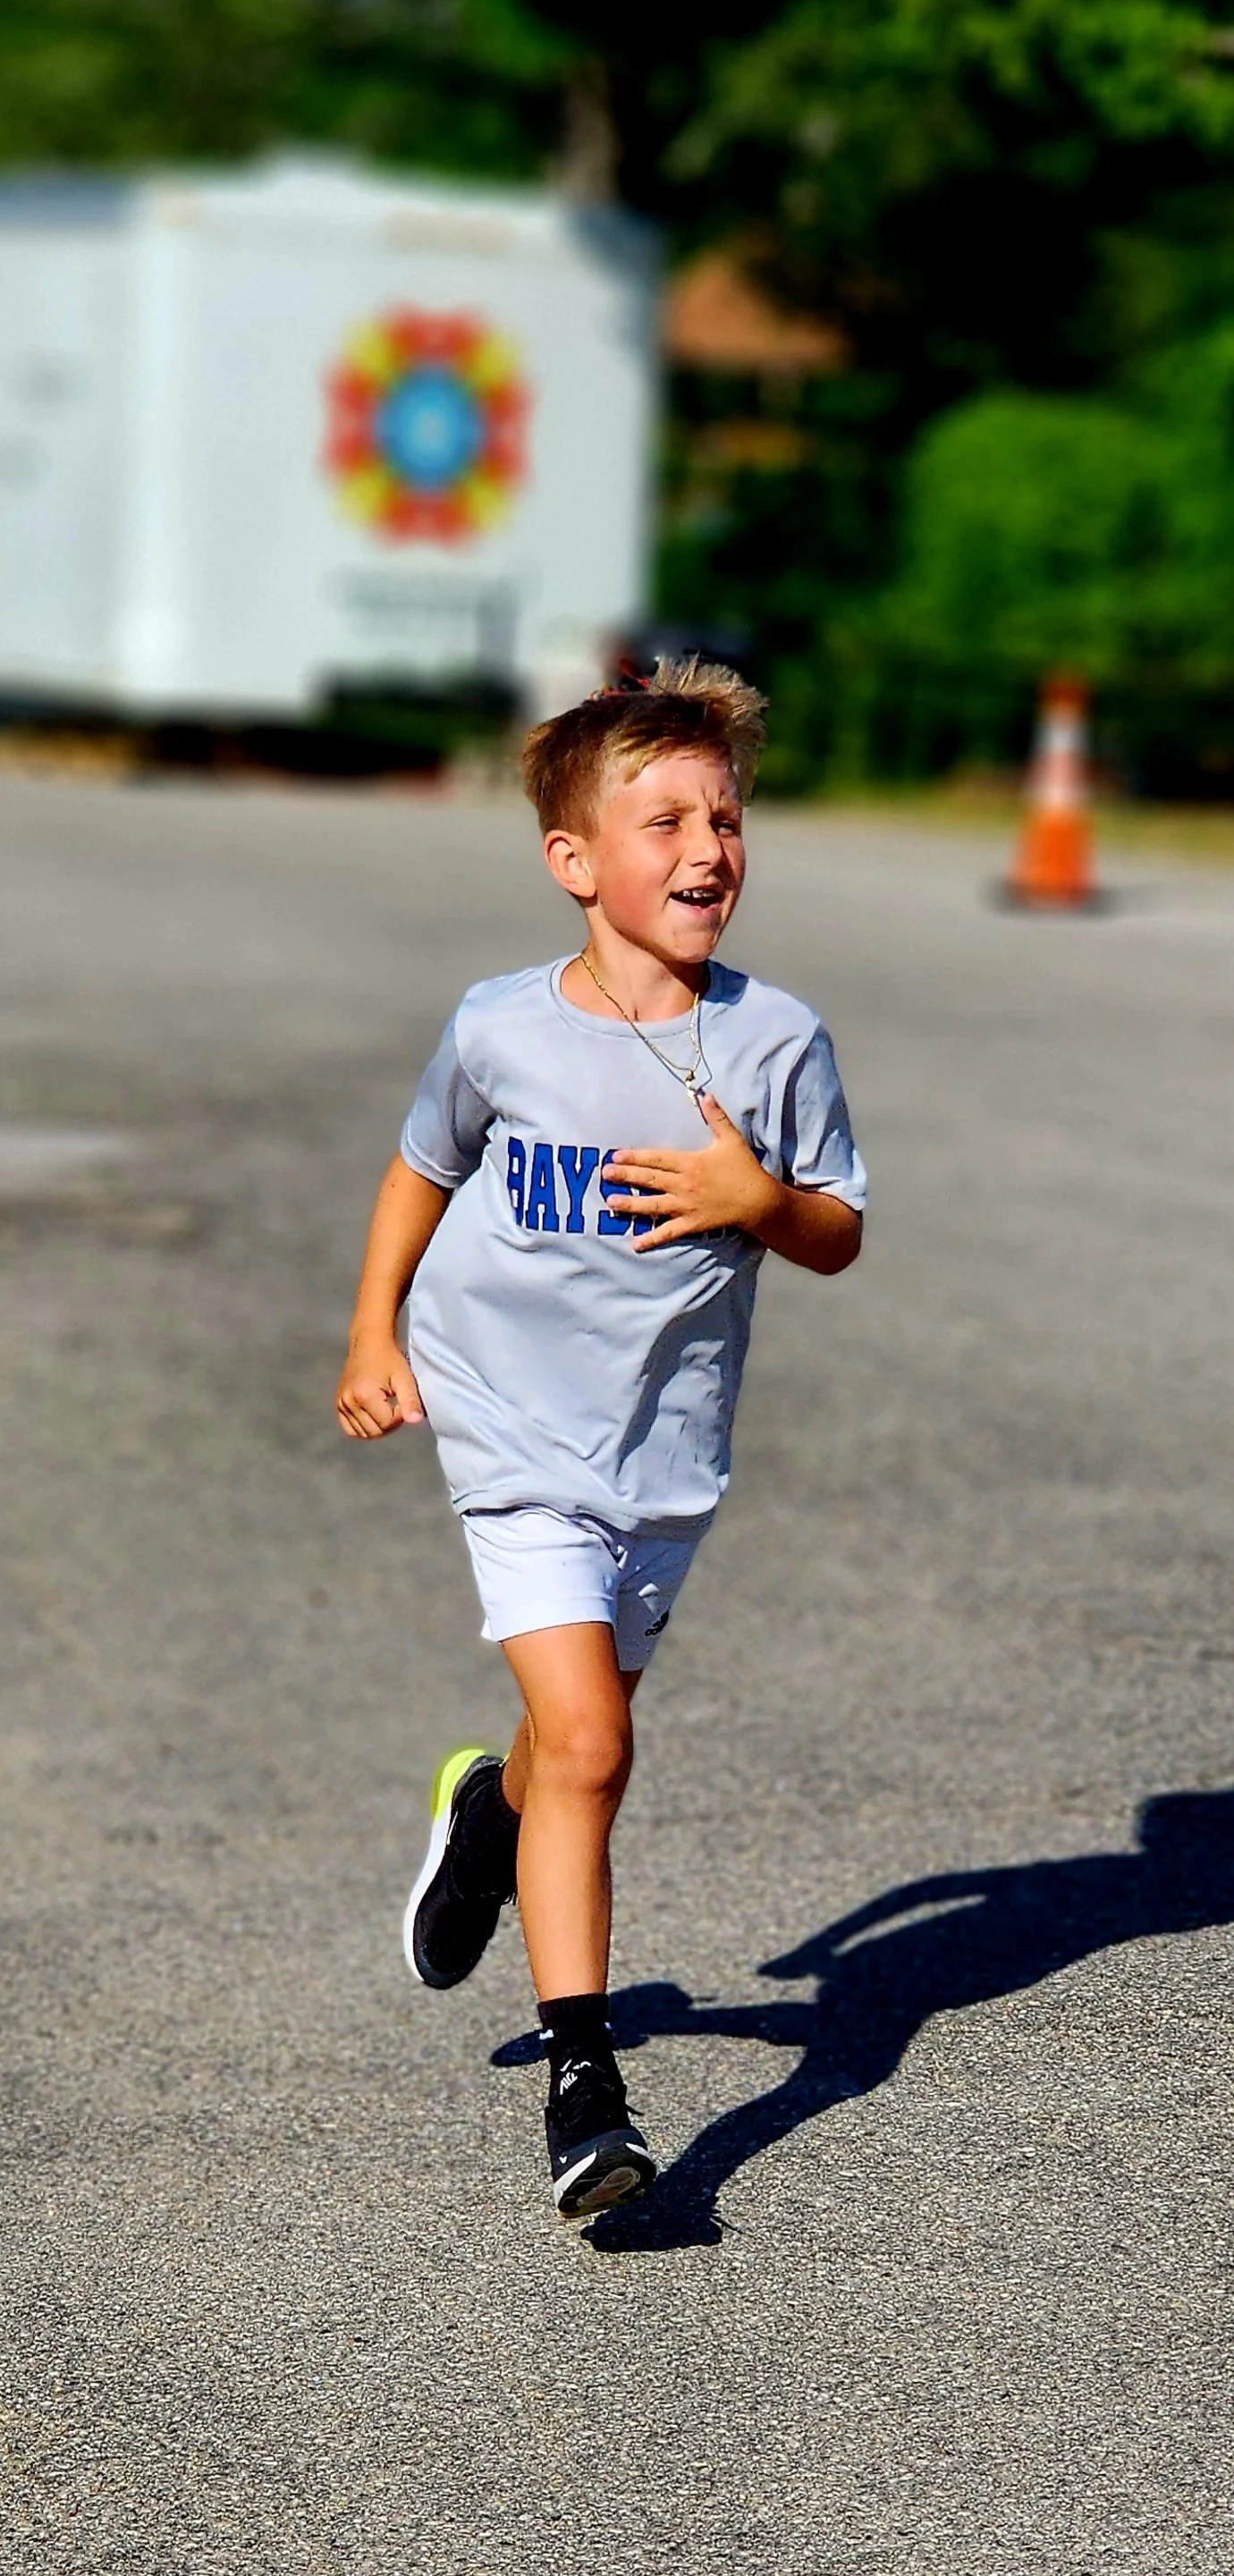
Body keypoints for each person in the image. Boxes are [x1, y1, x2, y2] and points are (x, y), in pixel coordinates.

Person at [334, 655, 866, 2217]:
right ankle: (588, 2088)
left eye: (726, 816)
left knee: (567, 1750)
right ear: (575, 862)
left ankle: (488, 1811)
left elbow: (835, 1231)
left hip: (665, 1454)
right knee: (604, 1744)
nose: (708, 849)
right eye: (664, 823)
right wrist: (374, 1331)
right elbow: (418, 1171)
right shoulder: (501, 1029)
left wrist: (758, 1202)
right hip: (506, 1425)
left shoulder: (778, 1043)